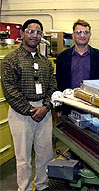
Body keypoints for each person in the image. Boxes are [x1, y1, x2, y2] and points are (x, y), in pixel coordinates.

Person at [1, 19, 57, 191]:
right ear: (22, 33)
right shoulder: (10, 60)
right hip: (21, 113)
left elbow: (52, 86)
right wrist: (30, 110)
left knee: (45, 153)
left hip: (44, 111)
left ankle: (42, 185)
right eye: (31, 31)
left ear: (41, 36)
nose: (34, 35)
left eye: (38, 32)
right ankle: (24, 188)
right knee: (23, 157)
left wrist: (46, 107)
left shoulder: (46, 62)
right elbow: (10, 89)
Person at [56, 19, 99, 115]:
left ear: (90, 35)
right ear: (73, 35)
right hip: (68, 106)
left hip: (92, 107)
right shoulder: (62, 57)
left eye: (85, 32)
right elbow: (59, 83)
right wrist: (59, 107)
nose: (82, 35)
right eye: (79, 32)